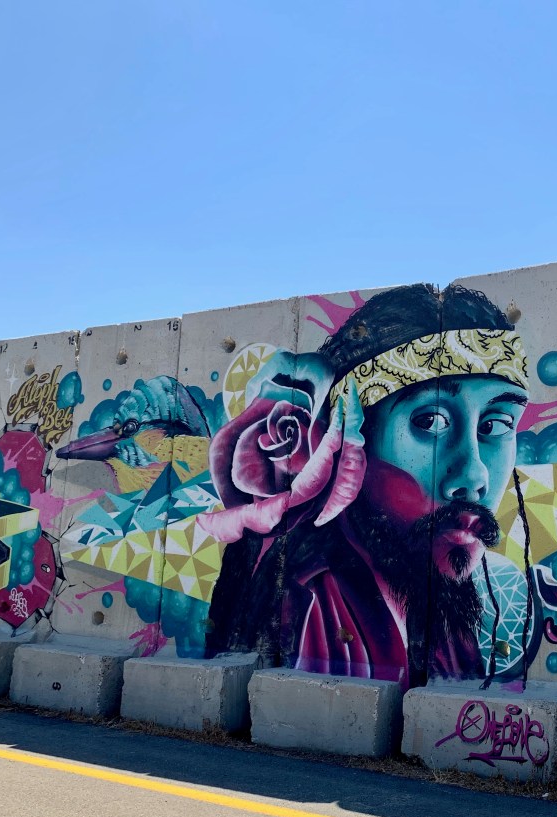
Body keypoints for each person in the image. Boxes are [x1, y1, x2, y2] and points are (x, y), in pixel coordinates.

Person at [201, 283, 532, 688]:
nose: (474, 477)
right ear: (350, 444)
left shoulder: (435, 599)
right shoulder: (308, 605)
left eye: (495, 426)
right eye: (430, 421)